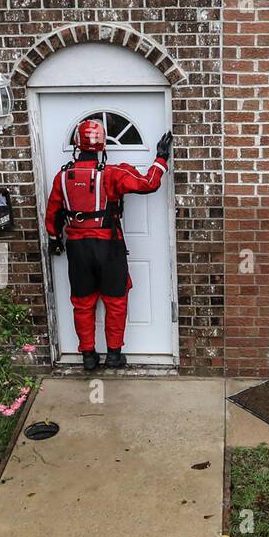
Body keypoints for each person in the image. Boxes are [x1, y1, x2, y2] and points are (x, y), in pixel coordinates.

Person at [44, 118, 172, 371]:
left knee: (82, 303)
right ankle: (114, 355)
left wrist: (55, 239)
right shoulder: (113, 173)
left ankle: (88, 357)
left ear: (77, 145)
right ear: (103, 146)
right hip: (108, 247)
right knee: (115, 301)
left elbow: (52, 214)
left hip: (78, 249)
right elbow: (149, 184)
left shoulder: (62, 177)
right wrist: (161, 158)